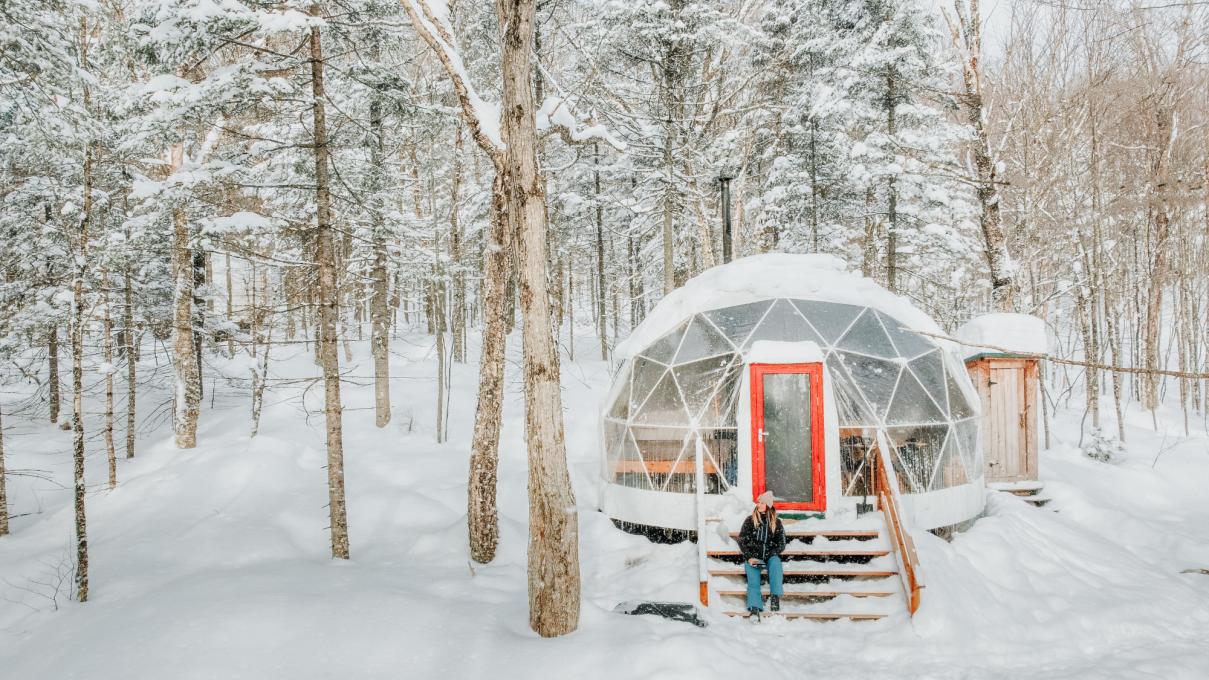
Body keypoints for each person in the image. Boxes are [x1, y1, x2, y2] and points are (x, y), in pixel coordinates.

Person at [738, 491, 786, 619]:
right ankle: (755, 608)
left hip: (770, 555)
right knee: (753, 581)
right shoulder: (750, 520)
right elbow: (742, 540)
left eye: (762, 502)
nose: (758, 504)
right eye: (758, 502)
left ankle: (775, 596)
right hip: (754, 556)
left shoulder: (776, 522)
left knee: (776, 563)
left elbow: (781, 543)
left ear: (768, 505)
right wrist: (749, 556)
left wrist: (772, 552)